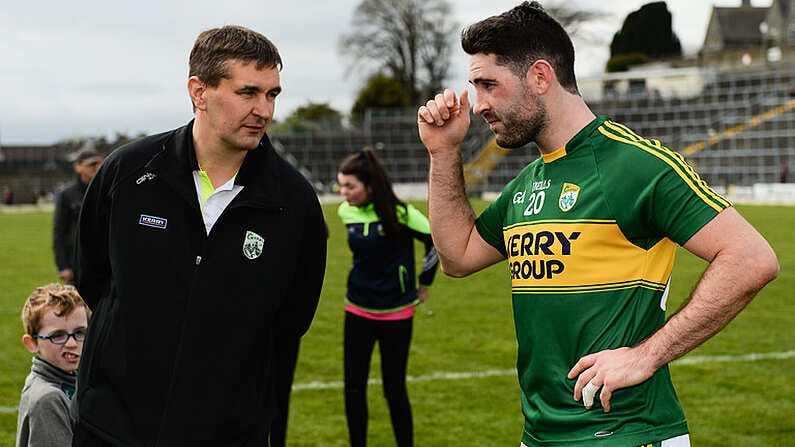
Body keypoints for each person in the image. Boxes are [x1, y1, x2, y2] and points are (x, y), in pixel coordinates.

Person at [416, 2, 779, 446]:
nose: (479, 105)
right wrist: (442, 153)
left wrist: (645, 356)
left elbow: (751, 257)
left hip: (628, 434)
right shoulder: (530, 182)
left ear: (540, 77)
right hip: (541, 434)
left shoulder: (634, 164)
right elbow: (458, 256)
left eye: (488, 85)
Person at [72, 25, 328, 446]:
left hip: (226, 429)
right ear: (198, 91)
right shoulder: (129, 172)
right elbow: (92, 276)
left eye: (272, 94)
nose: (264, 110)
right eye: (248, 92)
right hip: (113, 424)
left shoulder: (293, 200)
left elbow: (292, 318)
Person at [336, 147, 439, 447]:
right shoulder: (345, 212)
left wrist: (423, 282)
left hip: (397, 313)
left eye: (350, 186)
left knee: (394, 389)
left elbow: (434, 243)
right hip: (357, 310)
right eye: (341, 185)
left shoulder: (402, 214)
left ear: (370, 186)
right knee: (353, 388)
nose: (344, 193)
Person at [17, 283, 91, 447]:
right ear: (32, 343)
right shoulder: (49, 398)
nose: (72, 343)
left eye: (79, 332)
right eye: (57, 335)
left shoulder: (70, 379)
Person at [52, 147, 104, 284]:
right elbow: (59, 232)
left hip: (103, 262)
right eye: (91, 164)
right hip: (76, 262)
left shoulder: (106, 191)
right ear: (78, 167)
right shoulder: (67, 195)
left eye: (98, 163)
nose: (96, 167)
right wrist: (63, 266)